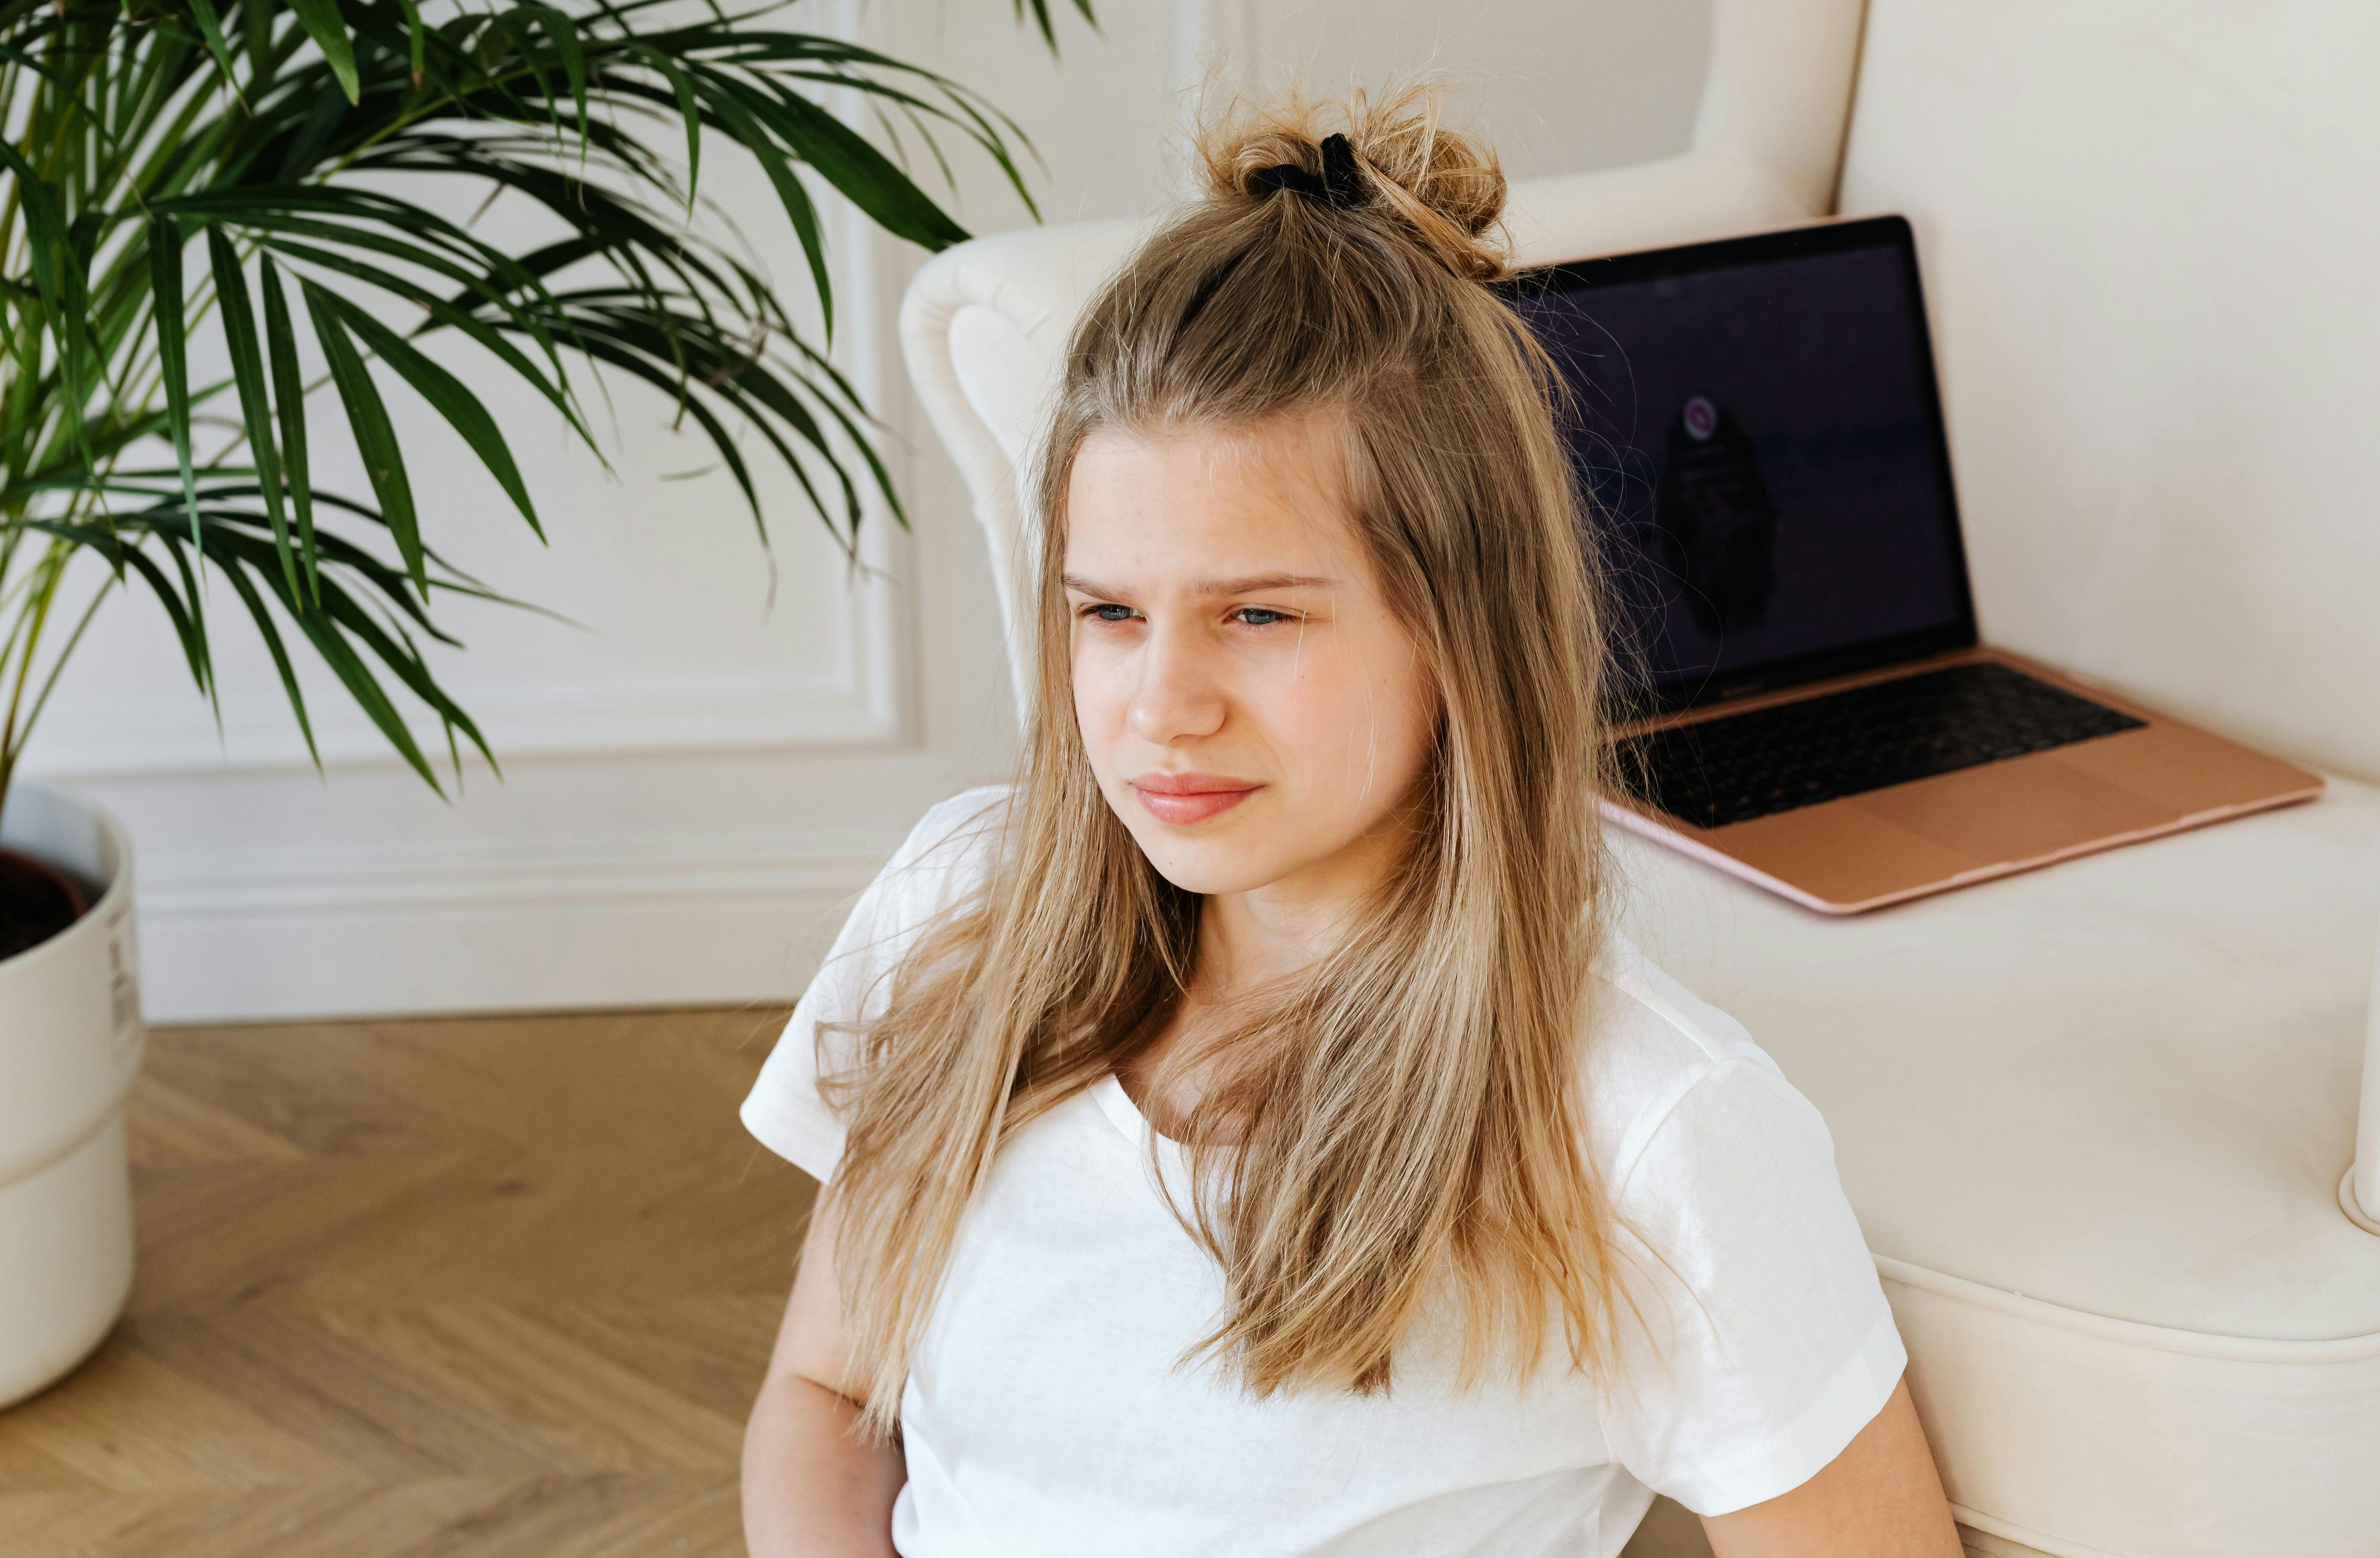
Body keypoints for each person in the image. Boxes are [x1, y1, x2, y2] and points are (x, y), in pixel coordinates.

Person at [738, 87, 1962, 1558]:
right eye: (1110, 614)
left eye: (1257, 614)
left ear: (1458, 634)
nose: (1162, 704)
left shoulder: (1652, 1134)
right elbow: (823, 1390)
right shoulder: (961, 910)